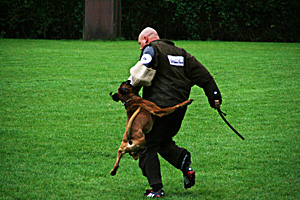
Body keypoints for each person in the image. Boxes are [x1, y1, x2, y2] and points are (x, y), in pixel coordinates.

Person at [127, 27, 222, 198]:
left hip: (159, 109)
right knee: (162, 142)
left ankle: (156, 189)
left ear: (147, 39)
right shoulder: (182, 54)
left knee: (148, 145)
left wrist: (128, 89)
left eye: (140, 43)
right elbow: (205, 76)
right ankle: (183, 160)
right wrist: (214, 96)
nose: (140, 48)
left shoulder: (152, 49)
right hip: (179, 109)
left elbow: (140, 75)